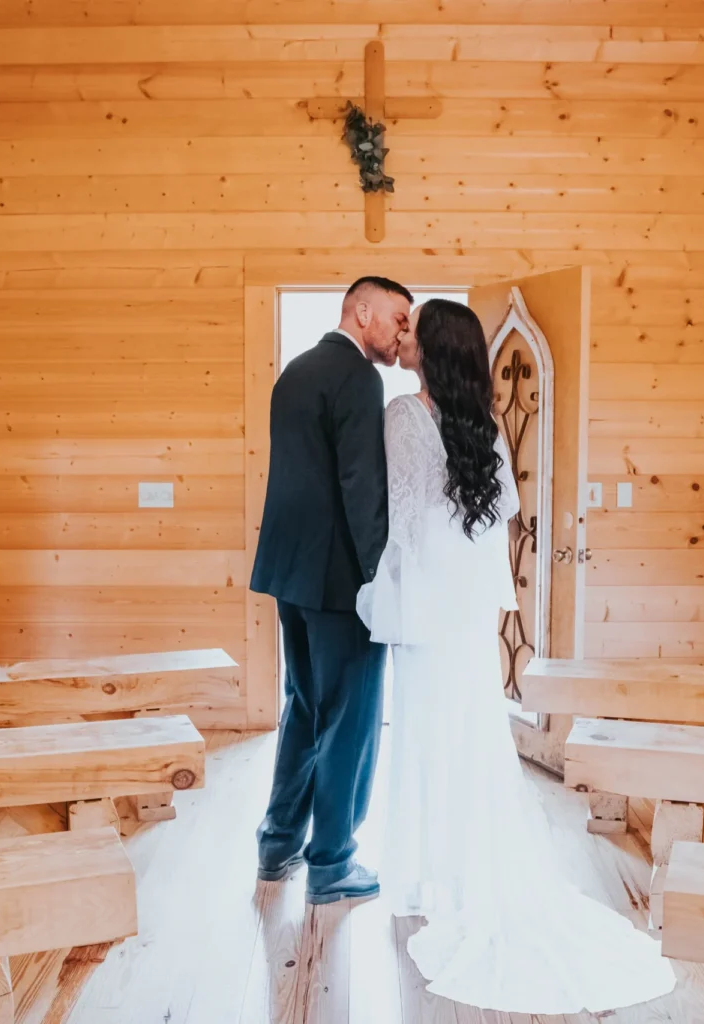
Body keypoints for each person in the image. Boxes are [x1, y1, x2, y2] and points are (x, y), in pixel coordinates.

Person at [356, 299, 677, 1013]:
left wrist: (374, 597)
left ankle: (430, 876)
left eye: (411, 332)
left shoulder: (405, 419)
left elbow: (405, 527)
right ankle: (463, 871)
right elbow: (496, 520)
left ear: (433, 353)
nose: (401, 339)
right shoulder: (486, 429)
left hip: (428, 617)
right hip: (467, 618)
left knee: (428, 739)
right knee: (470, 739)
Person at [249, 275, 414, 905]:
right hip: (340, 580)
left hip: (289, 573)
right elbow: (361, 489)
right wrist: (382, 579)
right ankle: (332, 861)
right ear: (362, 311)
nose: (402, 332)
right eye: (397, 318)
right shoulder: (358, 377)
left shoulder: (295, 370)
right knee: (349, 719)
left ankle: (278, 840)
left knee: (304, 706)